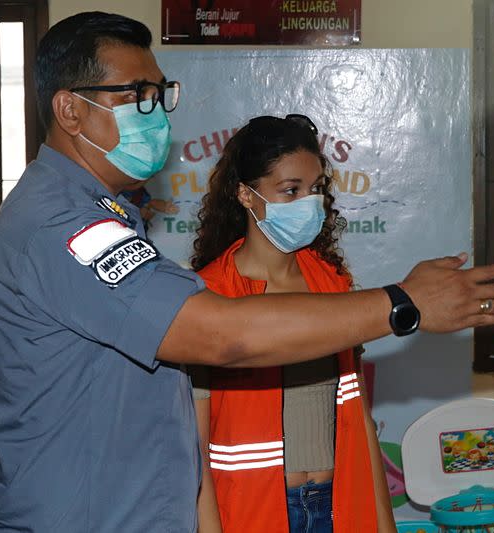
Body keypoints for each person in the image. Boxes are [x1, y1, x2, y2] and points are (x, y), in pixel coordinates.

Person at [0, 11, 494, 532]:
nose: (158, 112)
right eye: (138, 95)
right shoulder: (64, 226)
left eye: (161, 95)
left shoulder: (103, 217)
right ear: (70, 109)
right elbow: (224, 334)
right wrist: (401, 304)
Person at [189, 114, 396, 532]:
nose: (309, 202)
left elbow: (360, 419)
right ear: (246, 195)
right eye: (290, 190)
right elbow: (191, 450)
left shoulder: (332, 284)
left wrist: (384, 522)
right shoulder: (208, 297)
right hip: (251, 510)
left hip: (337, 504)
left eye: (316, 189)